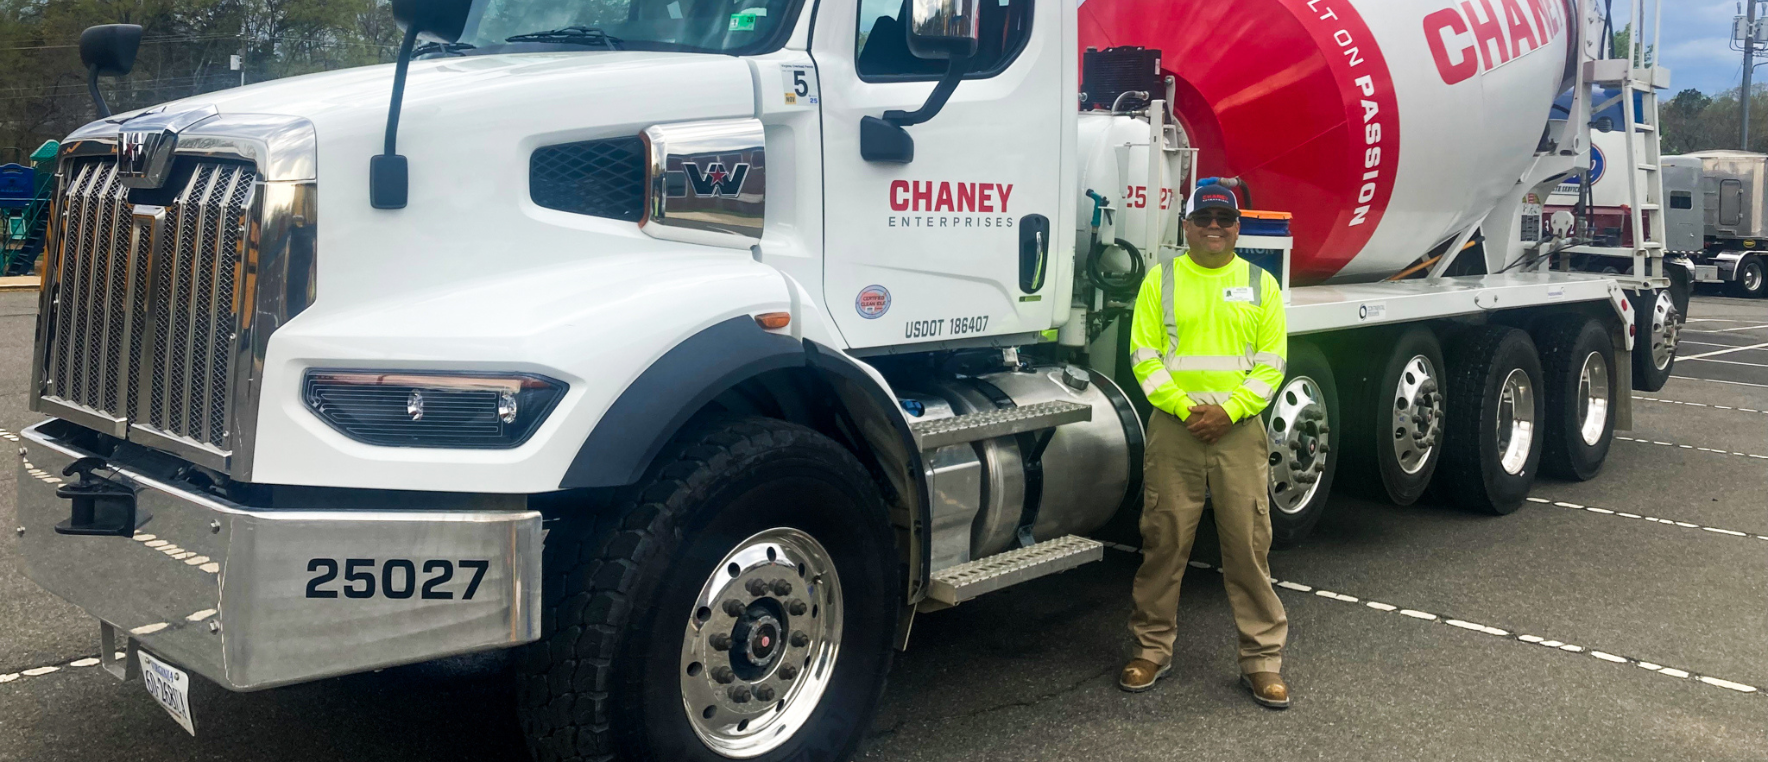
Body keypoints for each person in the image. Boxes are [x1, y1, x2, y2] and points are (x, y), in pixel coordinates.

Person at [1117, 182, 1291, 709]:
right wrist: (1183, 407)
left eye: (1225, 217)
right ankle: (1151, 649)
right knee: (1164, 541)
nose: (1215, 226)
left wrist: (1231, 410)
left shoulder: (1262, 285)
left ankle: (1262, 661)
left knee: (1247, 546)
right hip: (1177, 429)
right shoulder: (1160, 280)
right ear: (1186, 226)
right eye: (1204, 217)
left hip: (1238, 432)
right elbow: (1144, 356)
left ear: (1238, 226)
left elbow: (1272, 363)